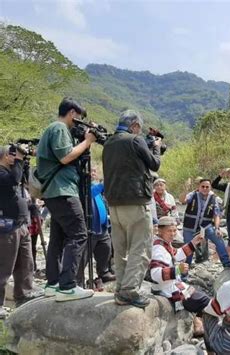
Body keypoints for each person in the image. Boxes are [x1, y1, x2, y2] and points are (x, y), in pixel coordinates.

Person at [36, 97, 97, 301]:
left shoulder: (52, 129)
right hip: (63, 191)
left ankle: (53, 283)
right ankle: (68, 286)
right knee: (79, 234)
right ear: (72, 113)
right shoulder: (59, 128)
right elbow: (65, 156)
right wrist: (87, 142)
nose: (78, 122)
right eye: (78, 117)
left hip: (54, 192)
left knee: (58, 237)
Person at [103, 109, 161, 308]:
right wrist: (157, 147)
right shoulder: (135, 141)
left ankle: (121, 288)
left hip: (114, 204)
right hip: (135, 202)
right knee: (140, 248)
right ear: (134, 125)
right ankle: (129, 291)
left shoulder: (109, 143)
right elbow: (154, 164)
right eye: (139, 128)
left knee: (120, 250)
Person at [0, 145, 40, 317]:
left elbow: (22, 182)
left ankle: (24, 294)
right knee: (4, 267)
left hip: (21, 224)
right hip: (7, 226)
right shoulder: (2, 174)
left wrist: (24, 162)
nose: (13, 158)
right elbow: (13, 181)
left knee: (26, 263)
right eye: (11, 155)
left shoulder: (11, 172)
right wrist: (19, 159)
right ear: (3, 157)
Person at [149, 216, 210, 315]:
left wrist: (193, 242)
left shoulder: (164, 243)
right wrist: (177, 270)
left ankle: (198, 321)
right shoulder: (158, 249)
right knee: (203, 301)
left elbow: (176, 254)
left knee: (200, 297)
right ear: (160, 231)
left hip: (172, 284)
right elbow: (155, 274)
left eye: (175, 230)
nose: (173, 234)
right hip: (165, 289)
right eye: (169, 231)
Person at [78, 167, 115, 289]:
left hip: (102, 227)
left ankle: (103, 272)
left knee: (106, 249)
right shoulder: (82, 186)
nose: (92, 173)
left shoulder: (95, 186)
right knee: (84, 255)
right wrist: (104, 183)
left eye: (94, 171)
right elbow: (90, 194)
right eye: (90, 171)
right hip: (90, 227)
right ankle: (78, 279)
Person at [181, 179, 230, 268]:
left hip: (205, 226)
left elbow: (216, 215)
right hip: (190, 226)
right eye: (203, 186)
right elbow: (182, 200)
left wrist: (217, 228)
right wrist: (185, 189)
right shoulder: (192, 194)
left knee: (219, 239)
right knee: (188, 247)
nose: (205, 188)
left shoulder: (214, 198)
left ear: (210, 188)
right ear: (199, 187)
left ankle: (226, 262)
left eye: (207, 187)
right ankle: (185, 269)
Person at [28, 198, 45, 277]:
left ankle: (33, 266)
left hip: (34, 218)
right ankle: (31, 267)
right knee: (29, 246)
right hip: (29, 218)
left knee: (32, 246)